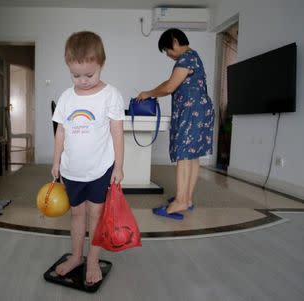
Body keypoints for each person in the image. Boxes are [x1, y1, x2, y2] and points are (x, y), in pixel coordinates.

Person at [51, 31, 125, 285]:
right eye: (75, 75)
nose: (82, 81)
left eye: (89, 75)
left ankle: (92, 260)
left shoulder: (110, 95)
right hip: (72, 170)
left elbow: (117, 132)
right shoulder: (66, 97)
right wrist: (55, 161)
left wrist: (119, 166)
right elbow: (60, 131)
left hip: (100, 169)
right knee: (76, 215)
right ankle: (76, 256)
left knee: (96, 215)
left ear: (101, 64)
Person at [136, 28, 214, 220]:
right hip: (201, 111)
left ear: (175, 41)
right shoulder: (193, 56)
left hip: (192, 112)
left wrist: (148, 93)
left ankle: (179, 202)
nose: (168, 55)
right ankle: (186, 199)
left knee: (184, 156)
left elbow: (170, 86)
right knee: (192, 157)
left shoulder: (186, 58)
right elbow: (173, 83)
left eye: (167, 50)